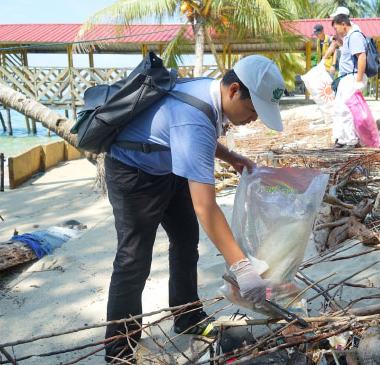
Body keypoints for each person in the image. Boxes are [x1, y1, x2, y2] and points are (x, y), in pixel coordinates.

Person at [103, 55, 285, 362]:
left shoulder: (207, 92)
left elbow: (193, 139)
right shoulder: (195, 114)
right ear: (233, 90)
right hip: (132, 171)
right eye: (254, 110)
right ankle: (119, 350)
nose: (254, 119)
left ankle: (187, 317)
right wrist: (243, 269)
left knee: (186, 241)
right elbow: (206, 207)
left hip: (168, 166)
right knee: (133, 260)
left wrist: (232, 157)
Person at [330, 14, 368, 149]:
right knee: (338, 110)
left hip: (352, 77)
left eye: (336, 28)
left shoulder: (355, 35)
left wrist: (358, 81)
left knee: (347, 110)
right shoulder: (348, 38)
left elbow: (362, 57)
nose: (336, 31)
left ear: (343, 24)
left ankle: (351, 141)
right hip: (345, 77)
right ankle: (341, 139)